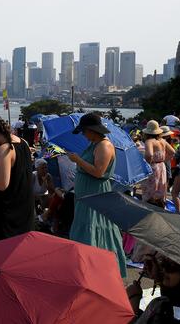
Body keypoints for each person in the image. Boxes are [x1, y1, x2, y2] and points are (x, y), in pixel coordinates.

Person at [67, 112, 126, 278]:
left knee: (94, 226)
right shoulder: (95, 143)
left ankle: (94, 268)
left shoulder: (104, 146)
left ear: (92, 130)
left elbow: (99, 172)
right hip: (85, 194)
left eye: (84, 131)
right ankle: (84, 266)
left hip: (95, 193)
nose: (84, 135)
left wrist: (78, 160)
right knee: (85, 226)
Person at [0, 115, 35, 245]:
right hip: (23, 203)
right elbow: (18, 170)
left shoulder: (5, 149)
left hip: (6, 210)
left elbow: (2, 184)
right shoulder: (23, 142)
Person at [127, 253, 180, 322]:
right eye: (163, 263)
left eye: (170, 266)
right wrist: (159, 278)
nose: (163, 269)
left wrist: (133, 301)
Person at [141, 120, 175, 206]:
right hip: (161, 166)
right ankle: (160, 206)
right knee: (160, 189)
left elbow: (149, 155)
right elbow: (172, 152)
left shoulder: (149, 141)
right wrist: (163, 160)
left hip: (153, 166)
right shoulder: (162, 140)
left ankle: (148, 207)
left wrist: (146, 165)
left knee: (150, 190)